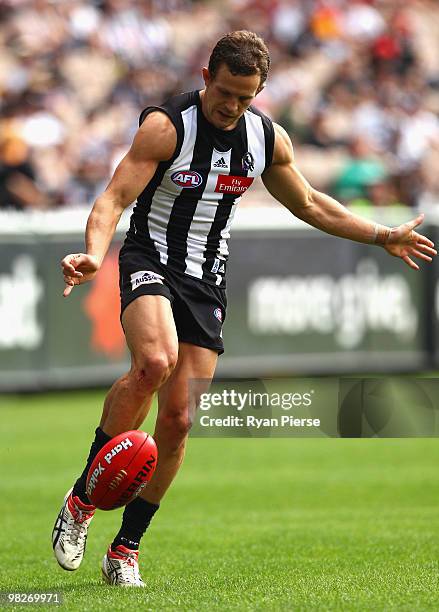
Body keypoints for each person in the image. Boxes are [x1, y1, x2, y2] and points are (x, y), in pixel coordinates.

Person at [52, 31, 436, 587]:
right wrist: (93, 252)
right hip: (150, 256)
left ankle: (125, 549)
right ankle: (82, 502)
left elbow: (307, 202)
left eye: (246, 96)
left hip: (207, 278)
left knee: (180, 420)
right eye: (226, 92)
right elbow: (114, 198)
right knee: (153, 364)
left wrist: (381, 235)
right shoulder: (167, 127)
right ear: (206, 77)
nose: (232, 106)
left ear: (259, 93)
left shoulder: (264, 138)